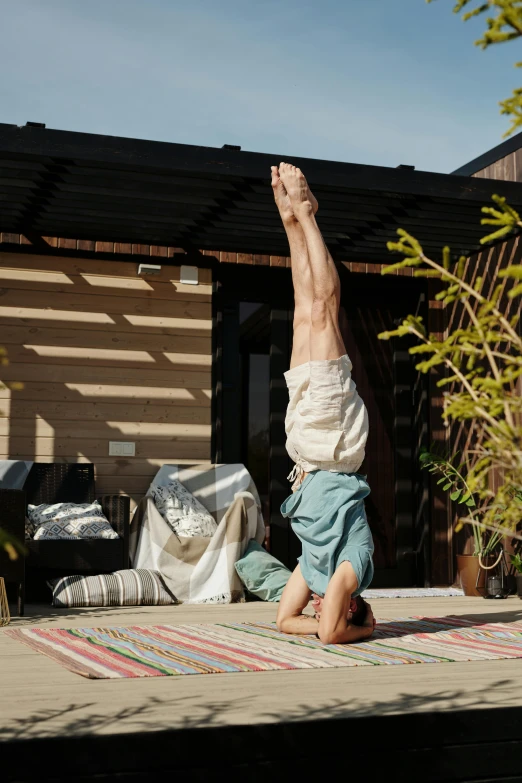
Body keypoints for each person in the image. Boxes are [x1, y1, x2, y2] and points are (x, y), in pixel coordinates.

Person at [272, 162, 376, 645]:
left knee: (300, 313)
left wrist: (311, 619)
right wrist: (368, 629)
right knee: (322, 311)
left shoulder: (313, 571)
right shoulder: (353, 569)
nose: (319, 605)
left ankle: (291, 223)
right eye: (333, 608)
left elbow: (282, 621)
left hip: (305, 448)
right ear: (351, 604)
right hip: (333, 443)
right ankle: (308, 214)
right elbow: (330, 636)